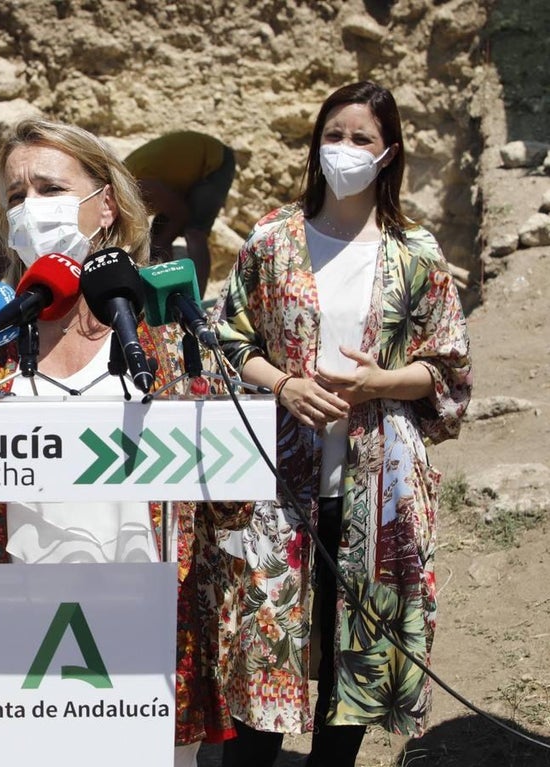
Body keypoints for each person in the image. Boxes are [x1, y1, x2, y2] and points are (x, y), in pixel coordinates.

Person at [0, 117, 249, 767]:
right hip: (19, 632)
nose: (31, 208)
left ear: (107, 206)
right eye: (16, 195)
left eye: (50, 188)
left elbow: (231, 505)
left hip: (147, 624)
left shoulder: (167, 338)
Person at [213, 81, 472, 767]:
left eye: (362, 138)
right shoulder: (272, 238)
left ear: (388, 153)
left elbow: (449, 368)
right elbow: (228, 340)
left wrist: (379, 383)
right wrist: (285, 384)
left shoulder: (415, 251)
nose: (345, 148)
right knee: (263, 644)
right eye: (334, 134)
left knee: (355, 659)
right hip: (275, 485)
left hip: (380, 491)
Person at [123, 130, 236, 297]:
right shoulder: (127, 184)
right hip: (185, 171)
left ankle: (197, 301)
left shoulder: (139, 185)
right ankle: (169, 294)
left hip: (215, 161)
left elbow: (180, 213)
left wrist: (161, 241)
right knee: (159, 234)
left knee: (194, 233)